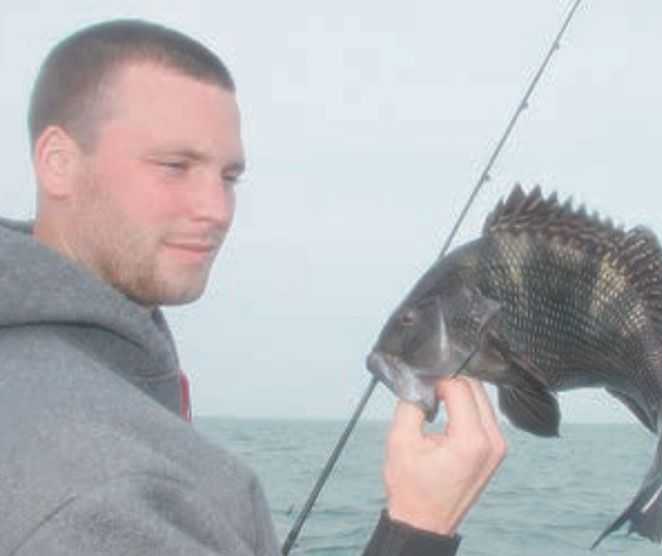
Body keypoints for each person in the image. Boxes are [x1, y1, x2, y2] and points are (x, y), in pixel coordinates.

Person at [0, 19, 506, 555]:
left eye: (229, 177)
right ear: (59, 163)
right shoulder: (101, 490)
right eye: (175, 166)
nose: (216, 210)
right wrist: (419, 527)